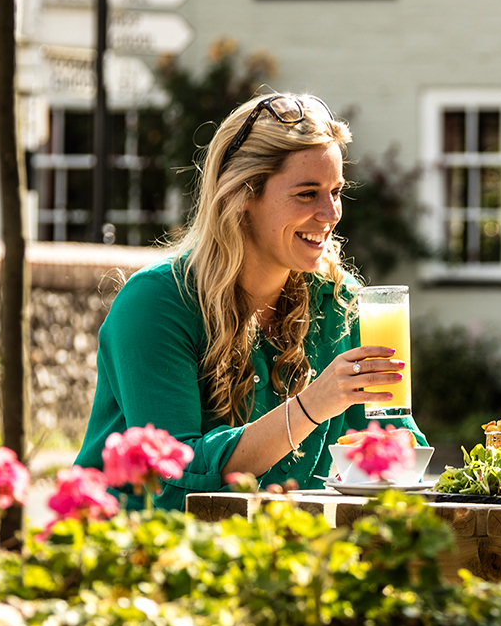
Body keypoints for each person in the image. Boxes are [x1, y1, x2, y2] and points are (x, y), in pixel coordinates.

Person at [75, 93, 425, 510]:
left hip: (277, 558)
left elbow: (393, 448)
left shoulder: (339, 301)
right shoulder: (156, 303)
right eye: (307, 193)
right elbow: (175, 476)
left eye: (336, 192)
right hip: (141, 557)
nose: (330, 213)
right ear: (242, 196)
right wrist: (314, 404)